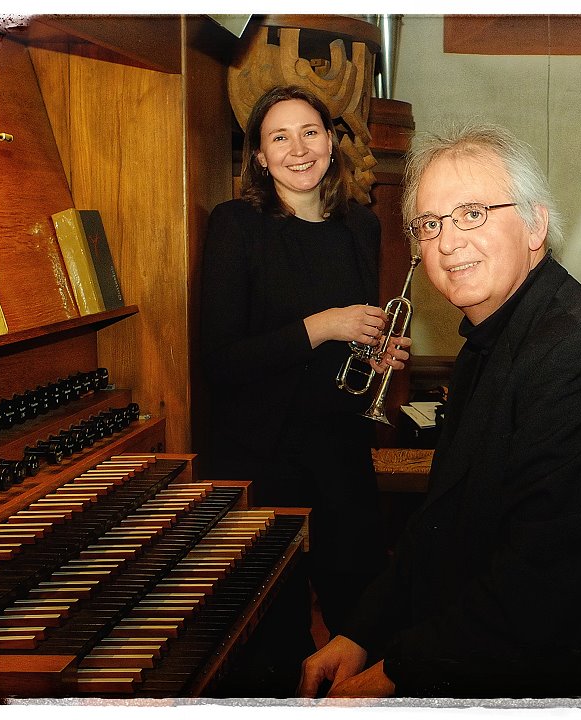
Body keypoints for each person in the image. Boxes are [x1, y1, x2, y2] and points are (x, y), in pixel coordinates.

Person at [298, 122, 581, 699]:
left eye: (473, 214)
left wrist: (392, 673)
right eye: (430, 224)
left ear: (535, 225)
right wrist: (360, 632)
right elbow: (440, 525)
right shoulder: (495, 337)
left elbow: (543, 584)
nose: (447, 241)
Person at [199, 85, 411, 692]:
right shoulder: (237, 224)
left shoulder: (361, 226)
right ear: (260, 158)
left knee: (364, 615)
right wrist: (323, 327)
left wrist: (377, 352)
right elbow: (221, 361)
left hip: (341, 451)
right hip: (261, 457)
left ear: (332, 142)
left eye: (311, 131)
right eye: (279, 137)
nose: (298, 148)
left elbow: (354, 344)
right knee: (271, 637)